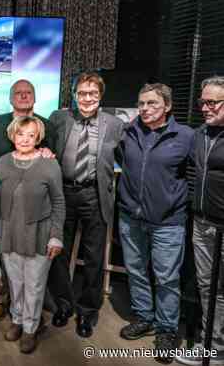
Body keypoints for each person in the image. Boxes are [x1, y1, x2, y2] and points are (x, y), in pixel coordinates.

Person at [116, 83, 194, 363]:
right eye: (142, 103)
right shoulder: (128, 131)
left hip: (167, 223)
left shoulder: (185, 136)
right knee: (136, 271)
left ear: (168, 106)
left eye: (152, 104)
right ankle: (144, 316)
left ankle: (166, 329)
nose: (146, 109)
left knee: (166, 278)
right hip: (130, 217)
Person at [47, 71, 124, 338]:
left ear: (100, 96)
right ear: (74, 95)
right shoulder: (59, 118)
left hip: (95, 195)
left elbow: (125, 159)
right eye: (82, 93)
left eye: (93, 93)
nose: (87, 98)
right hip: (63, 193)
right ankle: (63, 305)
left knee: (93, 259)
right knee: (58, 252)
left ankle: (87, 312)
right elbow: (43, 145)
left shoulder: (114, 125)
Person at [0, 116, 64, 354]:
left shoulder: (49, 164)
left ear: (38, 138)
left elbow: (59, 202)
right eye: (20, 134)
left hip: (39, 236)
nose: (25, 139)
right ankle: (17, 320)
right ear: (12, 135)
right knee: (16, 284)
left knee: (34, 285)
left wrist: (56, 236)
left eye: (31, 135)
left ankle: (30, 329)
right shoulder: (1, 162)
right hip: (8, 234)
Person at [176, 76, 224, 366]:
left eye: (212, 102)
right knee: (208, 287)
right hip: (202, 223)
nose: (205, 108)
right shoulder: (199, 135)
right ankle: (213, 346)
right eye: (202, 102)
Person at [0, 79, 53, 160]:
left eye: (28, 93)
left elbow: (51, 157)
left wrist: (47, 153)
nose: (24, 96)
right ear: (10, 99)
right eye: (18, 93)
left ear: (35, 98)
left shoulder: (47, 125)